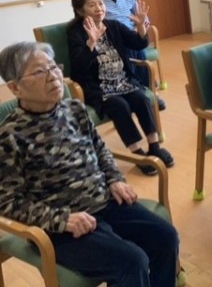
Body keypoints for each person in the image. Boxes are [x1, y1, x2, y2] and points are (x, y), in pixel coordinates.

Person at [0, 41, 180, 286]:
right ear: (15, 87)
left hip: (105, 202)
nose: (53, 76)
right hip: (60, 227)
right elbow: (8, 202)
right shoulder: (9, 136)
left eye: (54, 67)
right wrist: (61, 219)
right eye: (40, 72)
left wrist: (114, 179)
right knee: (132, 262)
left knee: (166, 237)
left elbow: (101, 150)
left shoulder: (75, 109)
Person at [67, 0, 174, 176]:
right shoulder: (76, 33)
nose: (99, 8)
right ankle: (138, 154)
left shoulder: (112, 25)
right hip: (99, 88)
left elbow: (138, 43)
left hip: (123, 81)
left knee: (142, 99)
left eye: (100, 3)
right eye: (92, 5)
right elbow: (78, 67)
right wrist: (91, 42)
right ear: (80, 10)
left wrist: (141, 27)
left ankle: (154, 147)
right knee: (120, 106)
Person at [93, 0, 166, 111]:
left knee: (138, 48)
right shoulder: (98, 1)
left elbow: (142, 17)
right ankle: (143, 89)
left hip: (132, 35)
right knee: (134, 53)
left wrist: (141, 24)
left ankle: (151, 91)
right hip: (114, 40)